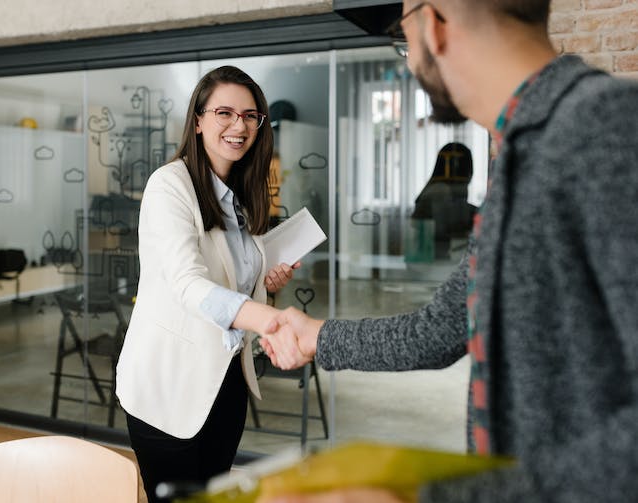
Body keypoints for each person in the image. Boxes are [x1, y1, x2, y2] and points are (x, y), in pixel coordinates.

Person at [260, 0, 638, 502]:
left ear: (432, 24)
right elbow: (441, 329)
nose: (409, 56)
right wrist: (318, 336)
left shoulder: (605, 129)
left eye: (403, 34)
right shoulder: (522, 156)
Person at [115, 65, 299, 503]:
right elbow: (187, 282)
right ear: (197, 121)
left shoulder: (241, 194)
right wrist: (271, 318)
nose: (239, 125)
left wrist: (265, 282)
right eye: (225, 113)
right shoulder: (169, 186)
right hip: (168, 387)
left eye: (251, 116)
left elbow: (230, 278)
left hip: (226, 381)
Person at [410, 142, 476, 260]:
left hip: (437, 257)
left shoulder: (442, 189)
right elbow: (446, 228)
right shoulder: (440, 190)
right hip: (431, 261)